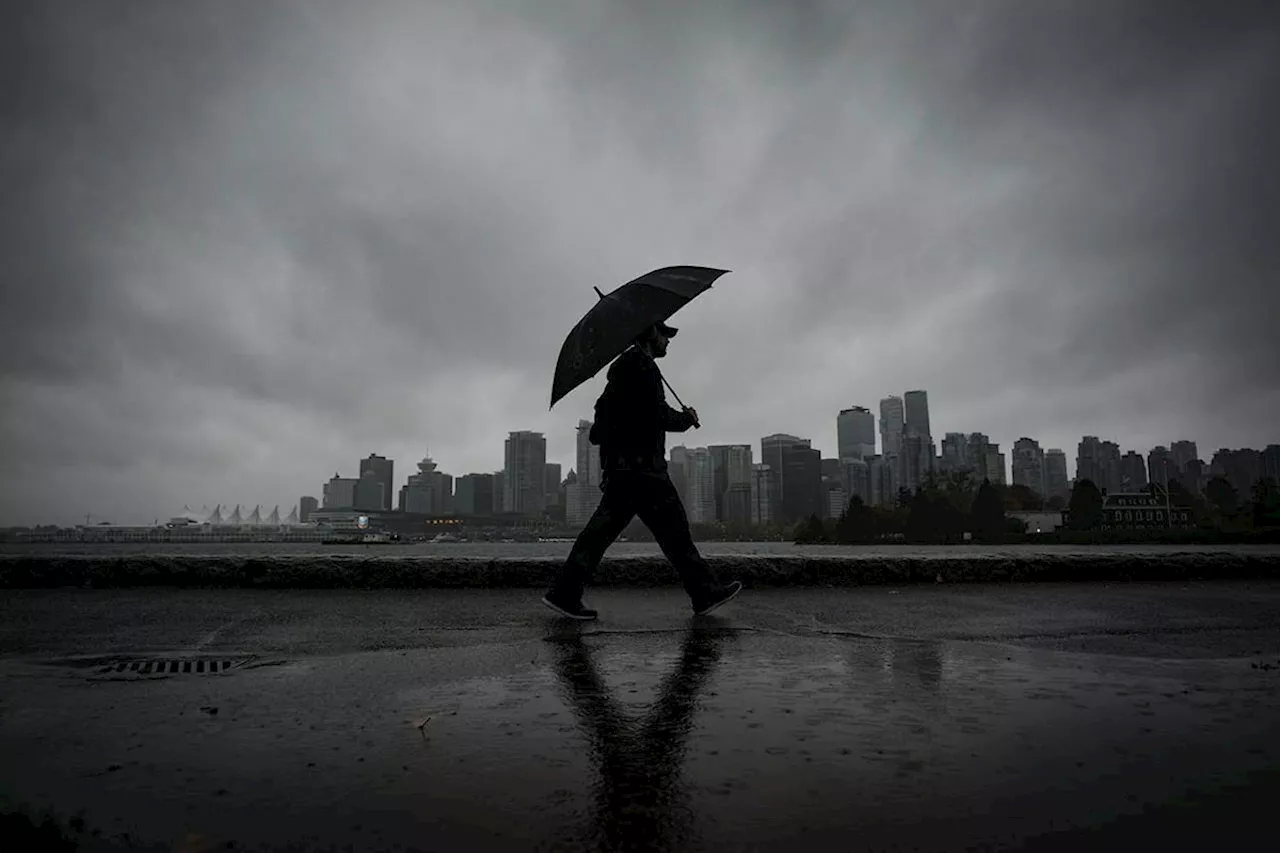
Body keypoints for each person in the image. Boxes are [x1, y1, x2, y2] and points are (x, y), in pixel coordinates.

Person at [542, 321, 743, 621]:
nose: (668, 341)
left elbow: (599, 428)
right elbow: (656, 415)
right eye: (664, 334)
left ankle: (564, 593)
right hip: (645, 472)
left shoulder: (621, 372)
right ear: (650, 334)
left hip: (622, 473)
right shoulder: (643, 368)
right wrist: (685, 419)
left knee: (599, 536)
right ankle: (704, 593)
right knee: (676, 535)